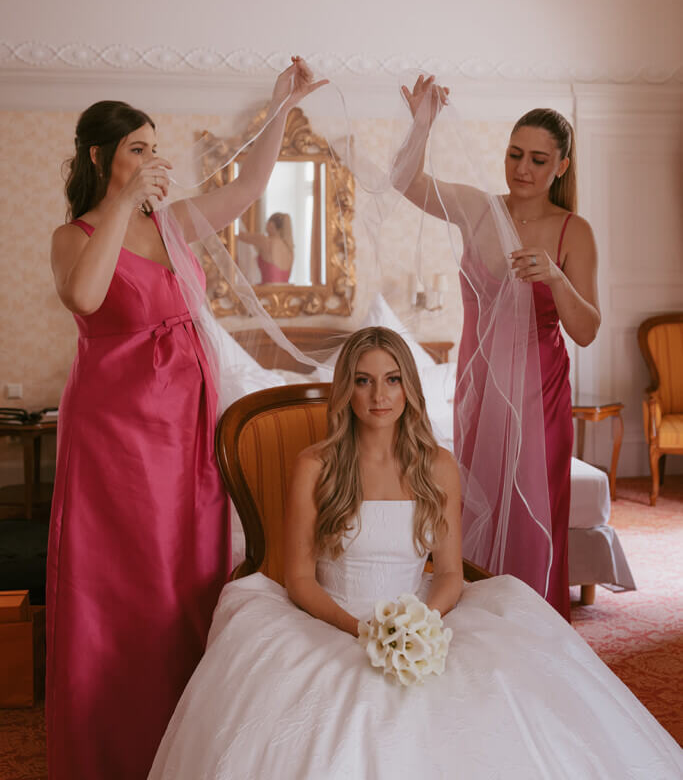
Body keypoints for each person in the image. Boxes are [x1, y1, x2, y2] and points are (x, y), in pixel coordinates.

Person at [148, 327, 681, 779]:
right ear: (347, 391)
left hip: (421, 614)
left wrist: (421, 625)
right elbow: (300, 580)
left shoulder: (437, 465)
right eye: (363, 380)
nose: (379, 395)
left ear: (408, 386)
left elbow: (449, 573)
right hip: (330, 618)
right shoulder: (315, 465)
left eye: (392, 379)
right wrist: (361, 631)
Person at [46, 57, 328, 780]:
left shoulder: (172, 225)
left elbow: (250, 187)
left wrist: (278, 108)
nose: (151, 158)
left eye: (152, 146)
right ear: (100, 158)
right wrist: (121, 204)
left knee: (188, 580)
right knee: (124, 585)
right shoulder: (75, 234)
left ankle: (187, 745)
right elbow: (84, 297)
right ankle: (112, 746)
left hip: (188, 428)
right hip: (119, 436)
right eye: (135, 148)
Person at [396, 75, 600, 620]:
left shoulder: (572, 231)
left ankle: (534, 624)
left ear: (560, 166)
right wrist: (423, 122)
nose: (522, 169)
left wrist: (556, 278)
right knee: (476, 500)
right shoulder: (479, 209)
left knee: (535, 505)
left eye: (537, 159)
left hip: (540, 391)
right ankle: (476, 622)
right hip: (479, 386)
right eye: (514, 155)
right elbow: (405, 180)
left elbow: (587, 330)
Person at [238, 211, 295, 282]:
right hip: (285, 291)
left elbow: (240, 235)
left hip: (266, 291)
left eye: (267, 222)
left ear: (271, 224)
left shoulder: (264, 240)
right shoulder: (289, 249)